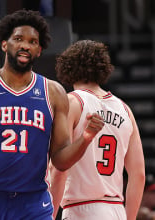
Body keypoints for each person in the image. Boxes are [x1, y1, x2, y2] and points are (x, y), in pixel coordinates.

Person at [0, 10, 104, 220]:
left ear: (39, 50)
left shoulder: (53, 92)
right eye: (18, 39)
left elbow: (61, 161)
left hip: (34, 201)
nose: (25, 45)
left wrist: (85, 138)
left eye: (32, 41)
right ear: (4, 44)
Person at [49, 40, 145, 220]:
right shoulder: (125, 109)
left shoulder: (72, 102)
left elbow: (59, 168)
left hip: (81, 209)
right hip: (116, 210)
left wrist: (49, 215)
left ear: (67, 68)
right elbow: (138, 175)